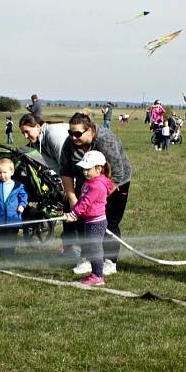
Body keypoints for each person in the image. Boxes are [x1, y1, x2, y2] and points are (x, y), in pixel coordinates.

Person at [59, 112, 132, 276]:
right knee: (84, 222)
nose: (73, 137)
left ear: (90, 131)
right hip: (87, 180)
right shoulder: (70, 143)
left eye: (77, 133)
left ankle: (110, 261)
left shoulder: (106, 140)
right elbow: (65, 171)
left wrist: (95, 200)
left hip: (116, 183)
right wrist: (73, 199)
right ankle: (87, 258)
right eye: (70, 133)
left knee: (108, 222)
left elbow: (117, 174)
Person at [64, 151, 116, 287]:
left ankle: (98, 276)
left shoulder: (97, 186)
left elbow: (86, 202)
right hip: (89, 221)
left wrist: (74, 214)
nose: (85, 172)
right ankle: (95, 273)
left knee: (94, 249)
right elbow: (82, 200)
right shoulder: (89, 182)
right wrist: (74, 212)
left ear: (98, 169)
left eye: (88, 169)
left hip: (96, 222)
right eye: (83, 169)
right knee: (92, 247)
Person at [0, 158, 28, 257]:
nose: (2, 175)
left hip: (13, 217)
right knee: (1, 236)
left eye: (5, 172)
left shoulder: (18, 186)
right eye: (0, 173)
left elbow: (24, 196)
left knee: (11, 237)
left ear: (12, 172)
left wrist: (22, 205)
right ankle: (1, 252)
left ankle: (9, 253)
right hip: (0, 218)